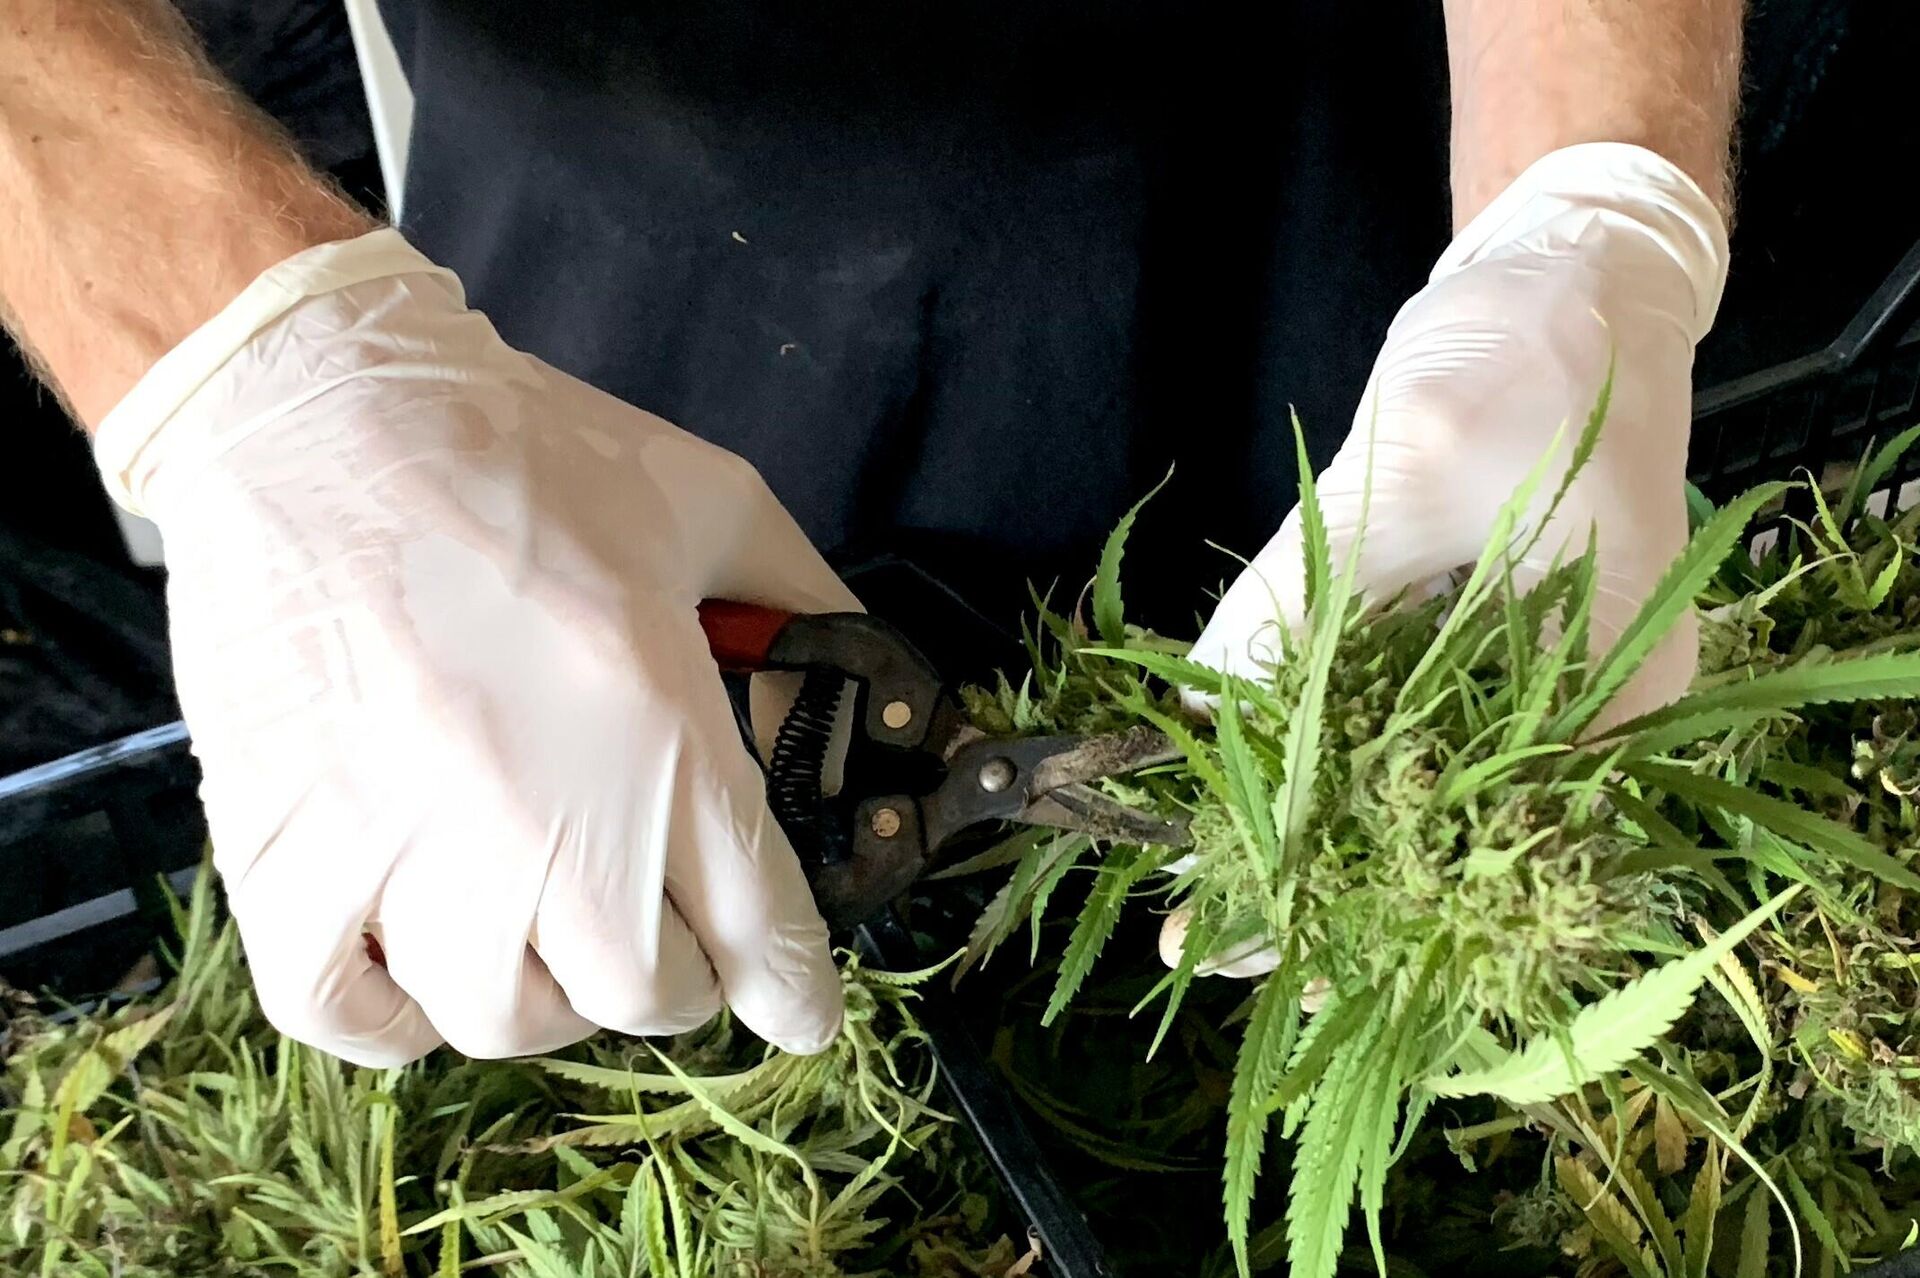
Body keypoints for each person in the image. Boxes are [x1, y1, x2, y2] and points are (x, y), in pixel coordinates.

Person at [0, 0, 1737, 1067]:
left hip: (1361, 190)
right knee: (607, 834)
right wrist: (244, 358)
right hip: (627, 286)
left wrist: (1588, 200)